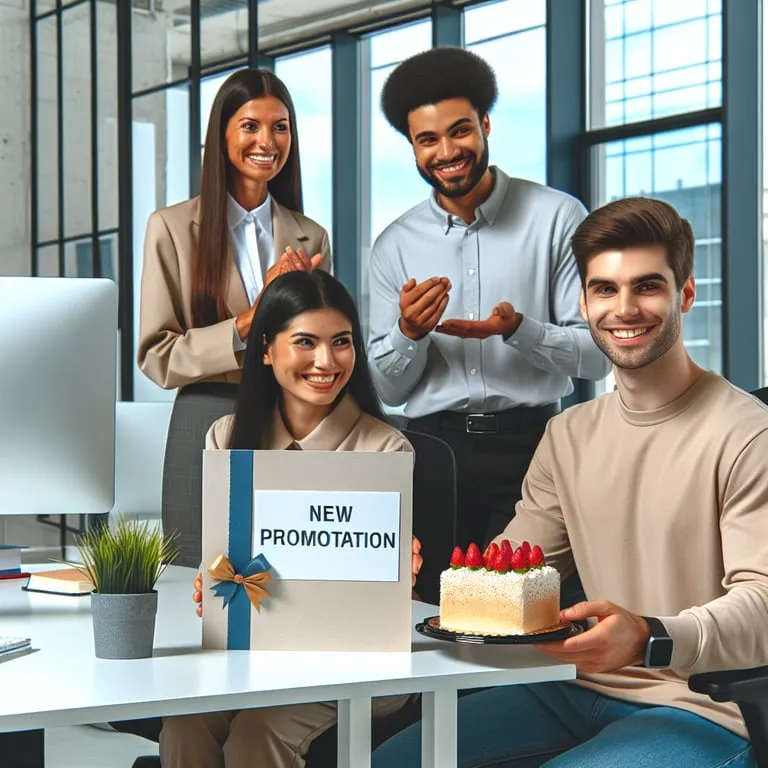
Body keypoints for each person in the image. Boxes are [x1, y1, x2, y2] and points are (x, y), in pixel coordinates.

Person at [372, 197, 768, 768]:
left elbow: (762, 604)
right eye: (605, 290)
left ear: (685, 293)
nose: (624, 308)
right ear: (583, 302)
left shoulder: (747, 435)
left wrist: (650, 635)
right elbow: (508, 570)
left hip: (702, 706)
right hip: (573, 686)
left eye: (647, 286)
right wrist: (409, 587)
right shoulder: (568, 434)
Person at [161, 269, 422, 768]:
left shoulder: (386, 449)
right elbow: (221, 561)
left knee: (255, 736)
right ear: (266, 349)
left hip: (354, 661)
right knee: (183, 726)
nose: (326, 361)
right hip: (250, 657)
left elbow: (380, 604)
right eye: (306, 342)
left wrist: (397, 575)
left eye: (341, 342)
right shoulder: (226, 438)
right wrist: (211, 585)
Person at [367, 47, 610, 549]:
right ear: (412, 147)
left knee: (526, 607)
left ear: (485, 125)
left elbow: (596, 358)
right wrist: (408, 334)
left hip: (535, 446)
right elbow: (386, 392)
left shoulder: (558, 219)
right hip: (432, 449)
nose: (447, 151)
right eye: (427, 140)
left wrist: (520, 331)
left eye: (460, 130)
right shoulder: (394, 244)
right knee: (428, 606)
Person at [138, 67, 331, 391]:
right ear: (221, 135)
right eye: (250, 126)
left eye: (280, 127)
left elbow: (321, 345)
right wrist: (248, 321)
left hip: (291, 422)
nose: (267, 142)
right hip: (209, 417)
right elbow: (159, 358)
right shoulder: (171, 230)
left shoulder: (312, 238)